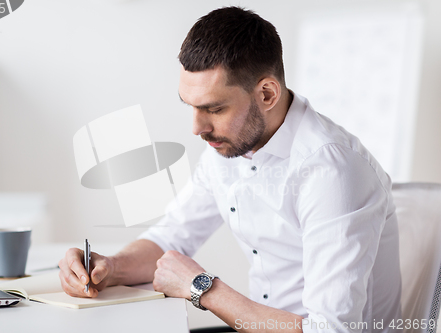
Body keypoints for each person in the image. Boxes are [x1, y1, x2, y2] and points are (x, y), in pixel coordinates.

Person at [58, 6, 401, 332]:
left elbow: (329, 330)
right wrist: (110, 268)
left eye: (214, 108)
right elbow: (171, 237)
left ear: (267, 94)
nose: (197, 128)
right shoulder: (229, 146)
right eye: (190, 107)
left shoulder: (331, 172)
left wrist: (201, 288)